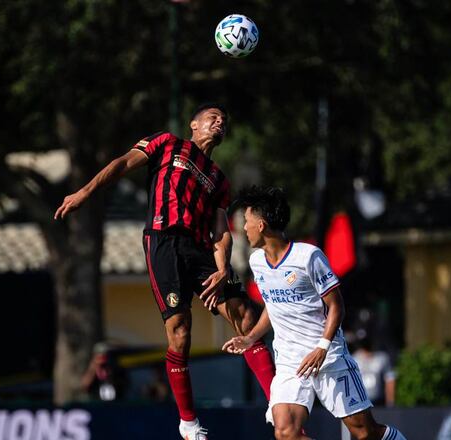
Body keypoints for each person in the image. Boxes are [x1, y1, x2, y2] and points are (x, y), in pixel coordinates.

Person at [55, 104, 276, 440]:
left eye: (224, 120)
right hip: (163, 242)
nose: (220, 122)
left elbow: (221, 229)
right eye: (213, 117)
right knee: (180, 330)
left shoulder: (219, 179)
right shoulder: (167, 143)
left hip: (201, 251)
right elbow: (122, 163)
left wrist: (222, 268)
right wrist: (85, 191)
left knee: (245, 315)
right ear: (194, 124)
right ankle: (188, 423)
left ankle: (277, 401)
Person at [222, 186, 407, 440]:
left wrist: (322, 348)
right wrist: (251, 337)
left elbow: (336, 306)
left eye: (246, 221)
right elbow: (273, 307)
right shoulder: (257, 262)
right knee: (285, 431)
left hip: (328, 358)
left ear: (261, 225)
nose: (244, 228)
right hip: (290, 363)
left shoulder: (308, 256)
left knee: (365, 433)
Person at [352, 337, 397, 407]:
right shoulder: (354, 359)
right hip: (360, 403)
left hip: (378, 401)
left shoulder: (382, 358)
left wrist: (390, 402)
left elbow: (390, 379)